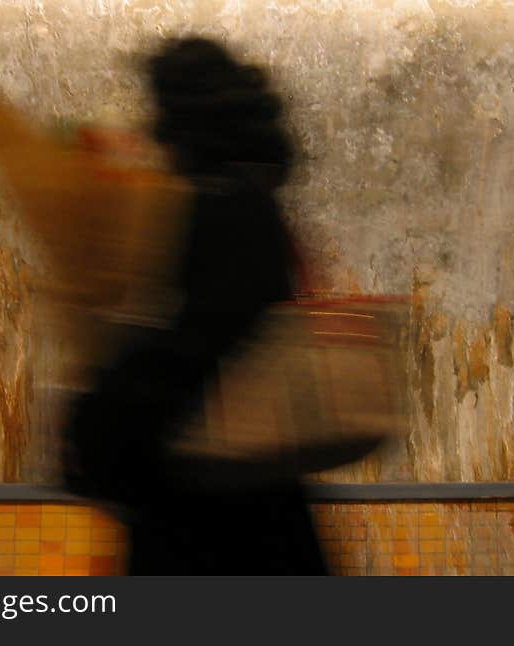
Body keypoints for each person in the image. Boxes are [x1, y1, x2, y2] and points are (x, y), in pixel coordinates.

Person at [63, 36, 328, 575]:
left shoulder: (224, 206)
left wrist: (94, 423)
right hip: (253, 510)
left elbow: (190, 351)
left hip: (217, 522)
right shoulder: (254, 201)